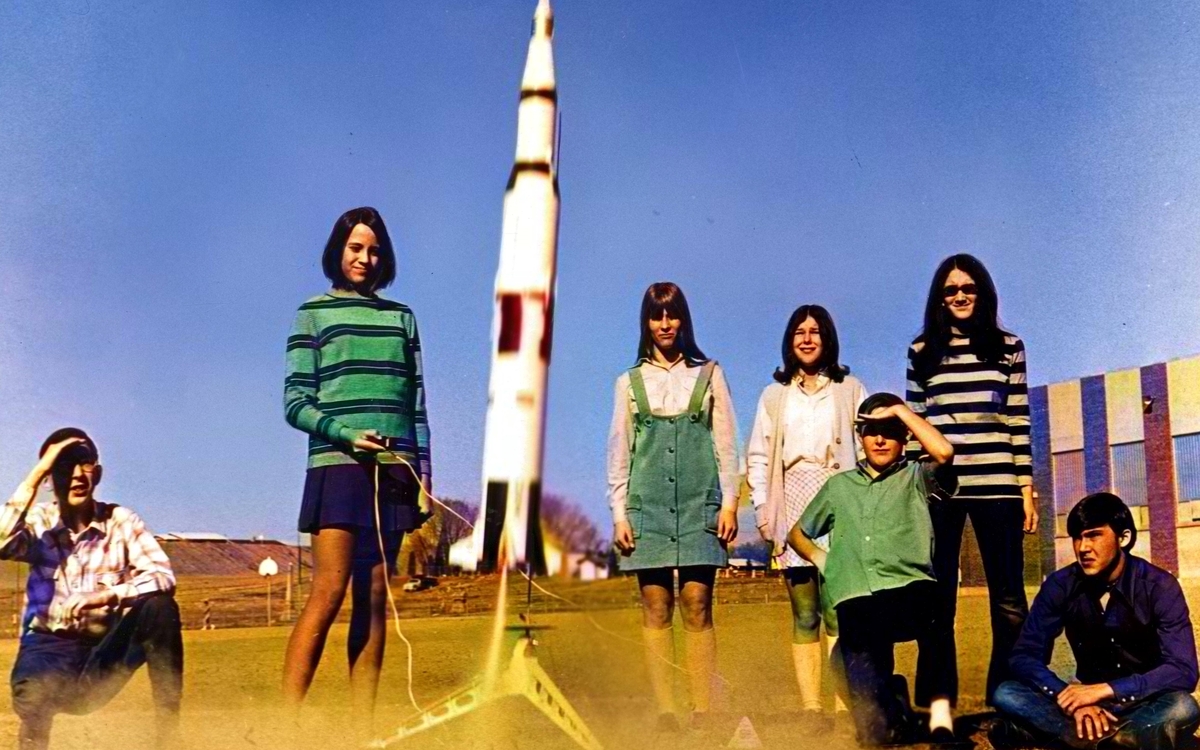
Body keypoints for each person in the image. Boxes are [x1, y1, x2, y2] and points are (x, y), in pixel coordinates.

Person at [282, 206, 432, 735]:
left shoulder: (402, 317)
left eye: (373, 250)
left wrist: (422, 475)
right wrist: (347, 434)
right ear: (337, 251)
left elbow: (416, 405)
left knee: (374, 598)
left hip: (395, 473)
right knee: (328, 591)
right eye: (354, 248)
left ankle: (361, 732)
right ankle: (285, 726)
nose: (364, 258)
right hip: (338, 469)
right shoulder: (312, 314)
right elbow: (294, 402)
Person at [906, 253, 1037, 737]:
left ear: (982, 293)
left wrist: (1026, 490)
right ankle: (939, 710)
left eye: (968, 288)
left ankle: (1009, 704)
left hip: (999, 487)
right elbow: (916, 429)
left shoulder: (1009, 347)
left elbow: (1018, 422)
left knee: (1008, 602)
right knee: (937, 600)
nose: (959, 296)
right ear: (939, 298)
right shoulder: (921, 351)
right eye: (949, 289)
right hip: (941, 493)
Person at [788, 393, 955, 747]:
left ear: (905, 436)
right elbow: (798, 534)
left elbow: (943, 452)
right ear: (859, 437)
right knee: (873, 734)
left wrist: (900, 410)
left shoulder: (916, 476)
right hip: (859, 597)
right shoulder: (839, 486)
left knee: (938, 622)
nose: (879, 439)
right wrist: (824, 560)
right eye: (870, 431)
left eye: (890, 430)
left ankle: (941, 721)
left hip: (909, 590)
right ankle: (892, 703)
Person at [608, 282, 739, 732]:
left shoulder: (710, 375)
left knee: (698, 602)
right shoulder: (629, 382)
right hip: (649, 509)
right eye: (656, 316)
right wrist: (620, 513)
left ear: (684, 320)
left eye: (672, 315)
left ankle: (703, 709)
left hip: (699, 505)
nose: (665, 324)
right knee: (656, 605)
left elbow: (726, 445)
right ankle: (667, 710)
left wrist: (729, 504)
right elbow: (619, 452)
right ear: (646, 322)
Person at [0, 429, 182, 750]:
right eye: (62, 465)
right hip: (46, 651)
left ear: (97, 473)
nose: (75, 475)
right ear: (48, 478)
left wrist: (109, 594)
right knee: (34, 695)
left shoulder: (120, 521)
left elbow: (163, 575)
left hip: (101, 655)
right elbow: (1, 541)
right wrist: (38, 470)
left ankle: (167, 738)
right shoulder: (39, 523)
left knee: (160, 607)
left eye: (83, 463)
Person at [990, 493, 1200, 750]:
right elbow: (1024, 656)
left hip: (1142, 700)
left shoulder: (1159, 586)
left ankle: (1054, 735)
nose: (1082, 547)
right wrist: (1068, 697)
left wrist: (1108, 689)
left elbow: (1183, 670)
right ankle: (1112, 739)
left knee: (1183, 706)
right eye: (1077, 537)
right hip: (1081, 703)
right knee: (1006, 692)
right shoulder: (1060, 585)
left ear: (1123, 538)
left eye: (1093, 535)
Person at [746, 304, 865, 730]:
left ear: (828, 338)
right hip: (792, 500)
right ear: (789, 340)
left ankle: (841, 704)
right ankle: (812, 708)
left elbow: (867, 447)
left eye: (815, 331)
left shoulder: (849, 388)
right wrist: (765, 514)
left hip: (839, 500)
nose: (807, 338)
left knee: (839, 609)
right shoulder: (774, 396)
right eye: (799, 331)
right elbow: (759, 457)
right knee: (805, 612)